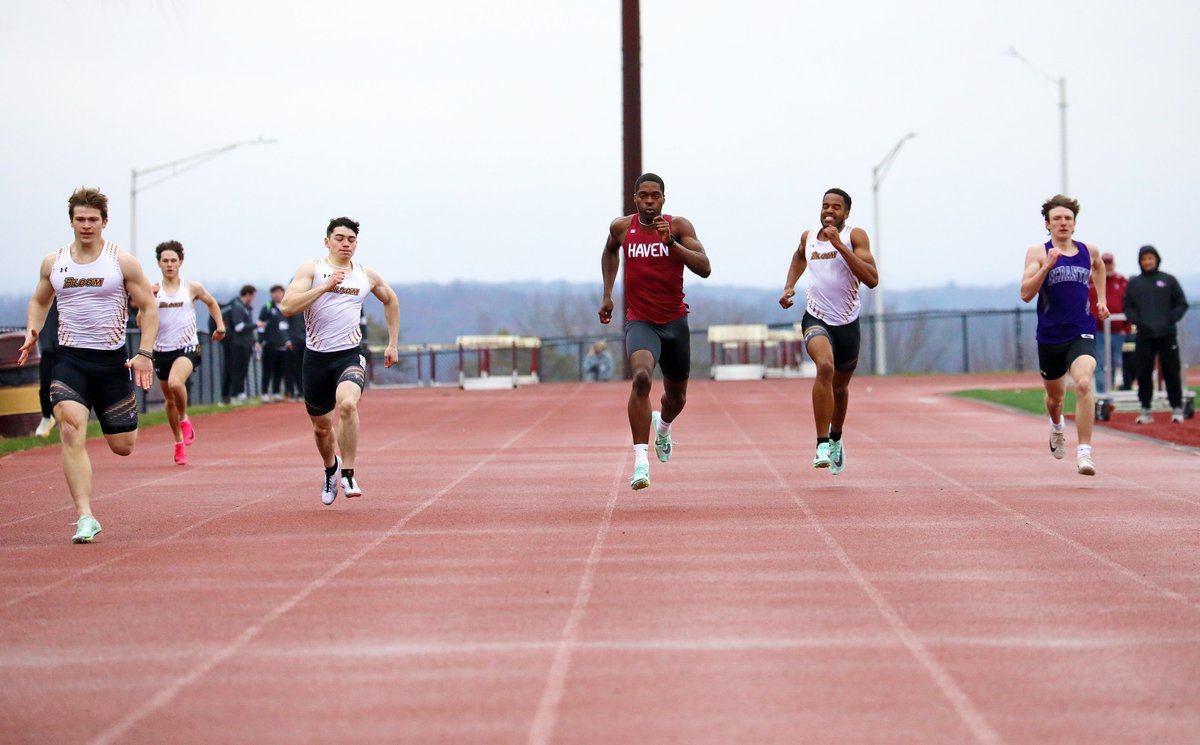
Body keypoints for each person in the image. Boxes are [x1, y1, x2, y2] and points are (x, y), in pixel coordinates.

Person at [16, 186, 158, 543]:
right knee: (70, 427)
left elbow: (148, 307)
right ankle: (85, 516)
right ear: (71, 222)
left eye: (93, 219)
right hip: (71, 359)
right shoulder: (55, 262)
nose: (86, 225)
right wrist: (33, 330)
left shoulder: (121, 262)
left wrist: (145, 352)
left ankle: (114, 431)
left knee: (123, 445)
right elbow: (39, 300)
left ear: (104, 222)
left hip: (112, 362)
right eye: (80, 219)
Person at [599, 173, 711, 490]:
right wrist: (607, 293)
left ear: (663, 199)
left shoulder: (678, 227)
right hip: (640, 321)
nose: (650, 201)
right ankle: (640, 462)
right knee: (641, 377)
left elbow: (704, 267)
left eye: (655, 196)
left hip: (674, 322)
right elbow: (609, 251)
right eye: (644, 195)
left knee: (676, 398)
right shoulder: (622, 228)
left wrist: (671, 244)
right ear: (635, 199)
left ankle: (662, 427)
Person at [281, 217, 399, 505]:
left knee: (347, 404)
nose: (345, 243)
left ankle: (348, 472)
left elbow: (391, 300)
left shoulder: (365, 274)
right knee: (322, 428)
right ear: (327, 242)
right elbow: (287, 307)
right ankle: (330, 468)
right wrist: (323, 288)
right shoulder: (312, 269)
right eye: (339, 238)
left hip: (349, 354)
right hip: (316, 359)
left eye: (351, 239)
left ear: (356, 244)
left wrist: (392, 343)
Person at [778, 187, 879, 475]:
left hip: (847, 323)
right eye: (825, 206)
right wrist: (789, 285)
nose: (829, 211)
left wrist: (841, 247)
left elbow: (872, 279)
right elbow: (799, 256)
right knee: (824, 367)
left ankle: (836, 437)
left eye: (836, 207)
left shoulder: (854, 237)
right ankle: (822, 443)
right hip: (816, 318)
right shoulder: (808, 237)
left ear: (846, 213)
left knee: (841, 388)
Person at [1019, 195, 1108, 476]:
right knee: (1055, 399)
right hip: (1049, 336)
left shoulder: (1088, 250)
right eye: (1057, 218)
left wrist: (1101, 299)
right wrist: (1047, 266)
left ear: (1074, 223)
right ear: (1048, 224)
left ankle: (1085, 453)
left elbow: (1100, 266)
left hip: (1081, 330)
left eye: (1068, 218)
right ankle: (1057, 427)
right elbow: (1025, 293)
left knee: (1083, 383)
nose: (1063, 223)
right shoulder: (1038, 252)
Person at [152, 240, 226, 465]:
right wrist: (149, 299)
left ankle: (184, 419)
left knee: (176, 384)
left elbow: (211, 303)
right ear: (159, 263)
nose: (169, 264)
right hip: (161, 349)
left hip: (187, 346)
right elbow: (140, 320)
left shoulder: (191, 287)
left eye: (173, 260)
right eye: (165, 261)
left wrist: (220, 326)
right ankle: (178, 442)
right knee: (169, 401)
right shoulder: (153, 290)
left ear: (180, 262)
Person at [1124, 245, 1190, 424]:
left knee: (1171, 371)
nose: (1147, 262)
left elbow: (1181, 304)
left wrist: (1170, 319)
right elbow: (1128, 307)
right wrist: (1138, 321)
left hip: (1167, 334)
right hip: (1144, 335)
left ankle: (1176, 408)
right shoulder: (1135, 283)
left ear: (1156, 259)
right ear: (1140, 262)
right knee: (1143, 372)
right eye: (1144, 259)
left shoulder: (1169, 280)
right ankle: (1145, 409)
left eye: (1150, 258)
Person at [1088, 253, 1129, 394]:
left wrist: (1127, 327)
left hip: (1118, 331)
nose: (1108, 266)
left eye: (1110, 263)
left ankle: (1108, 391)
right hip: (1098, 330)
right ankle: (1101, 394)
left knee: (1114, 363)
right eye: (1105, 263)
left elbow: (1130, 304)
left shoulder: (1122, 281)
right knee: (1100, 363)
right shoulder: (1091, 281)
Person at [221, 285, 257, 403]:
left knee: (243, 369)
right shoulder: (237, 307)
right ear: (248, 294)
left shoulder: (246, 307)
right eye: (253, 295)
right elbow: (239, 327)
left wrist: (253, 342)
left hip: (246, 344)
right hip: (237, 344)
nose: (254, 298)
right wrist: (256, 325)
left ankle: (240, 392)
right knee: (235, 370)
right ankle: (233, 395)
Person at [34, 299, 60, 437]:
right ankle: (47, 417)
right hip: (48, 352)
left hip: (68, 351)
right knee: (45, 387)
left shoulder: (71, 296)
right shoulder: (44, 300)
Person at [258, 284, 288, 402]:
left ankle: (276, 392)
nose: (277, 295)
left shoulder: (286, 306)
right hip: (270, 343)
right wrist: (261, 341)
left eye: (279, 292)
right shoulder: (267, 307)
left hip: (283, 344)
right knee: (267, 369)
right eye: (274, 293)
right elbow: (260, 325)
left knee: (279, 370)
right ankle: (264, 393)